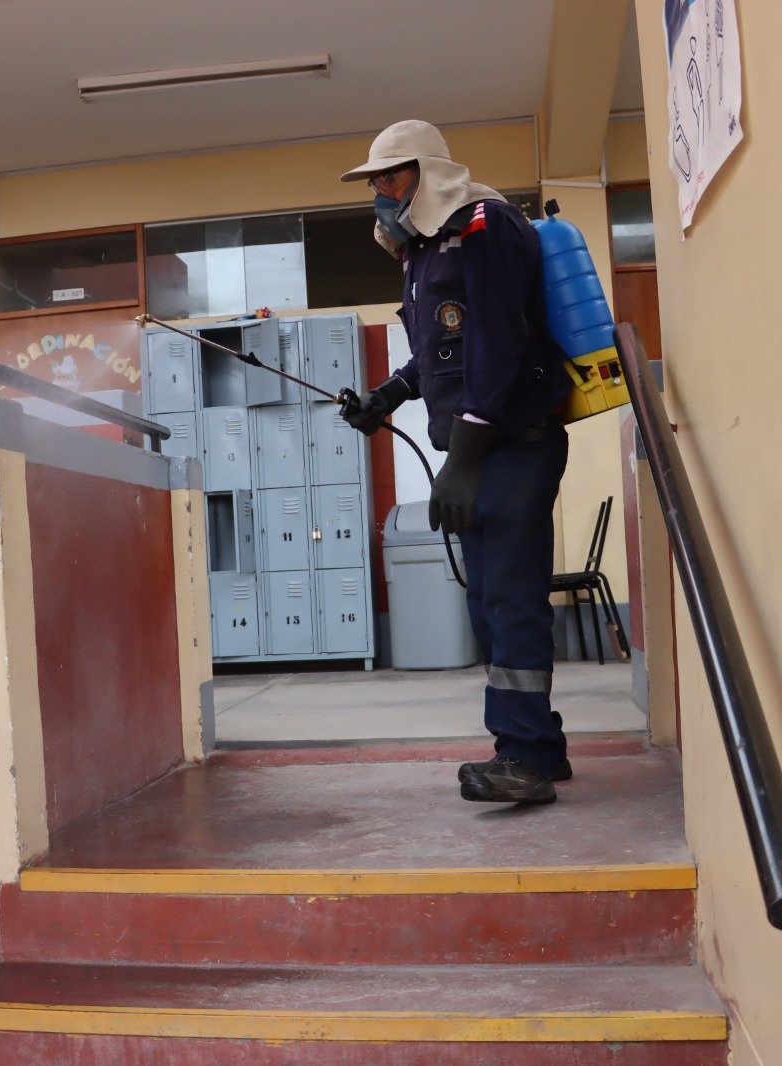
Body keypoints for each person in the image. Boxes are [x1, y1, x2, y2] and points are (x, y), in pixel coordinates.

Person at [339, 120, 574, 804]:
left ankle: (523, 759)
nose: (382, 190)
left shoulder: (484, 224)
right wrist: (386, 394)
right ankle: (542, 745)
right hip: (476, 452)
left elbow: (499, 344)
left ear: (429, 170)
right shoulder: (421, 253)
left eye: (393, 175)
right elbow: (440, 351)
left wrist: (465, 457)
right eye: (375, 180)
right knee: (487, 603)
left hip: (514, 444)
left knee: (509, 597)